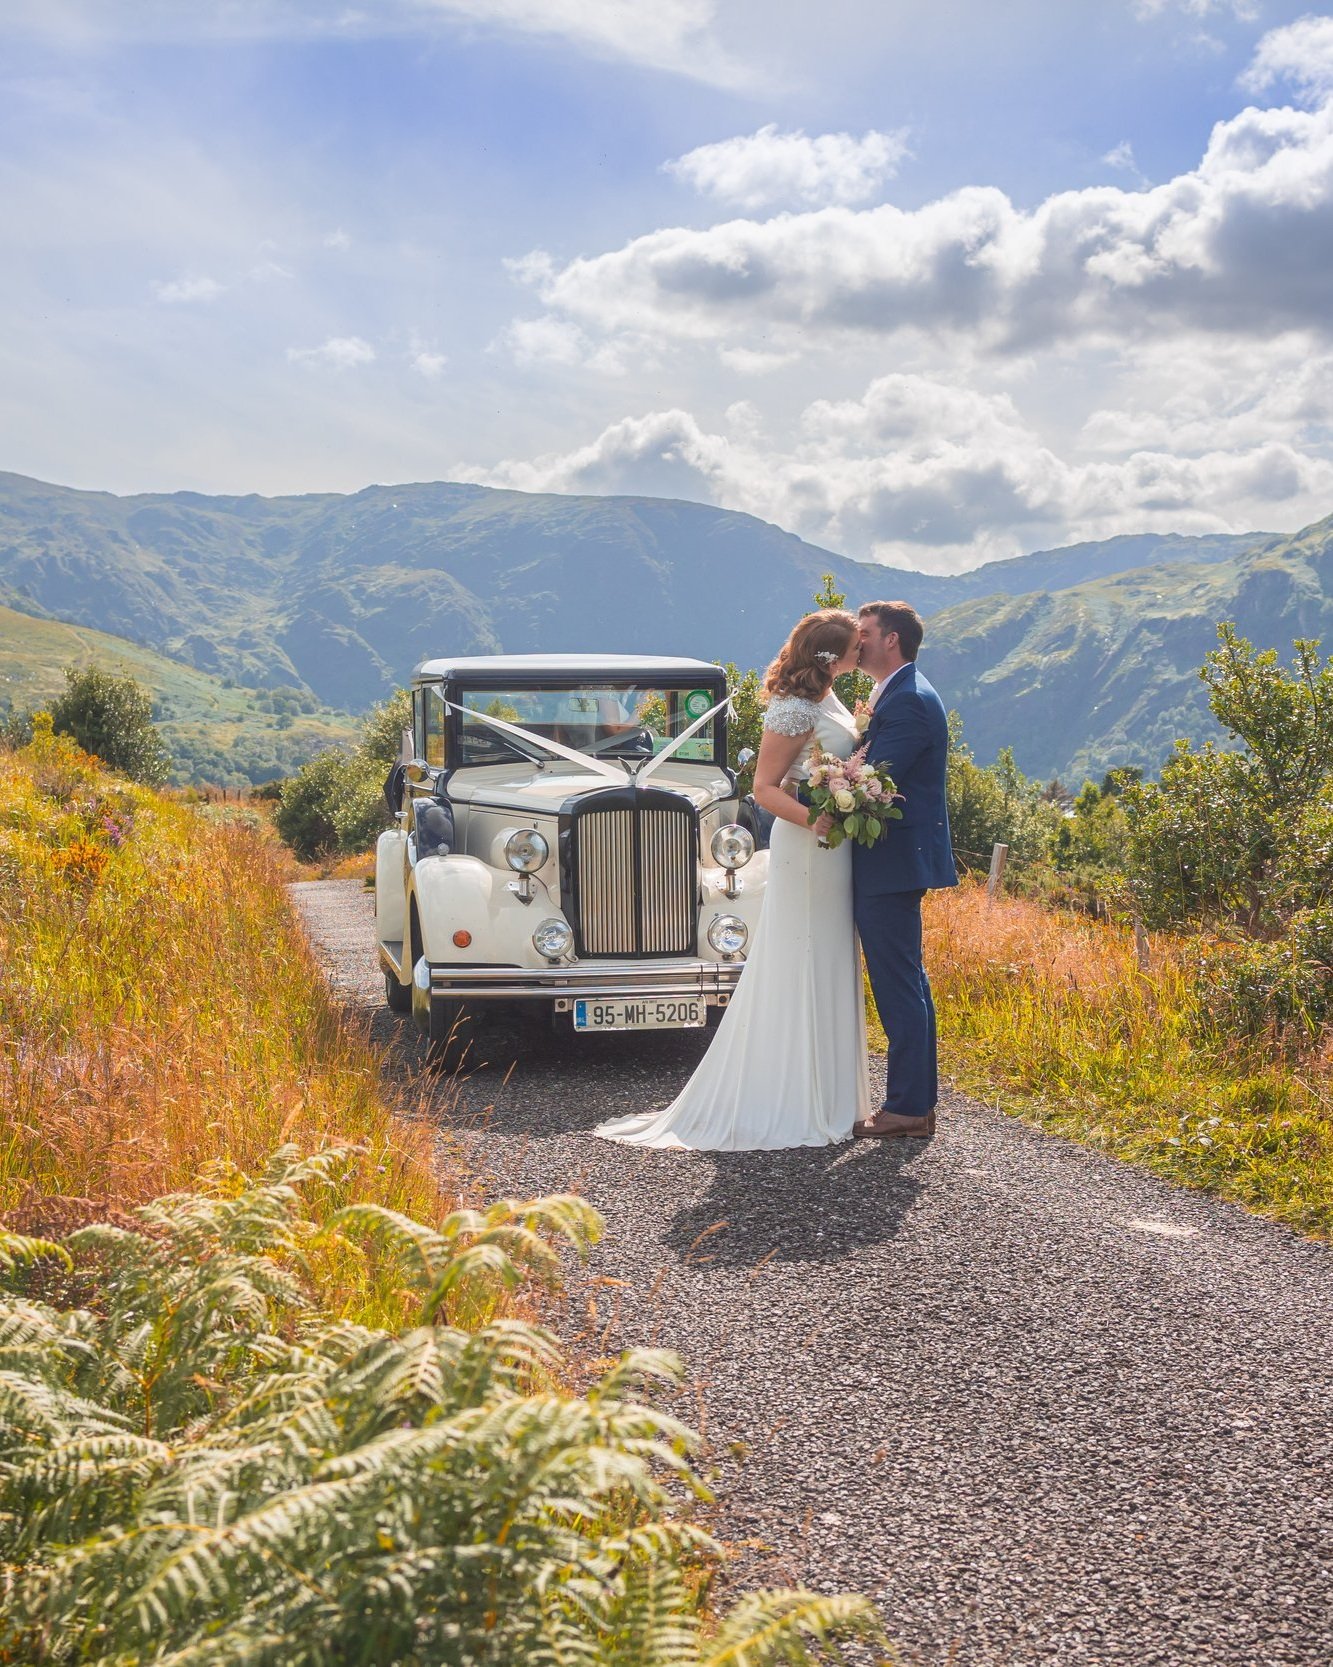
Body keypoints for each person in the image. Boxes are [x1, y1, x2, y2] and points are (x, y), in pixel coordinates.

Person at [594, 609, 872, 1150]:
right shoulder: (792, 709)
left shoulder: (829, 697)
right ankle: (792, 1095)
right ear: (830, 655)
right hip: (809, 843)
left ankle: (834, 1093)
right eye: (855, 646)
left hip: (835, 847)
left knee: (831, 953)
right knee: (803, 953)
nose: (862, 652)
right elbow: (764, 787)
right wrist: (815, 819)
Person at [849, 600, 957, 1139]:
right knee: (905, 980)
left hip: (891, 862)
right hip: (893, 862)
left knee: (898, 985)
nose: (857, 640)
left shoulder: (910, 701)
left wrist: (790, 790)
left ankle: (909, 1107)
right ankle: (915, 1103)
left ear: (891, 640)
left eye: (865, 632)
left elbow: (871, 780)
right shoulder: (896, 692)